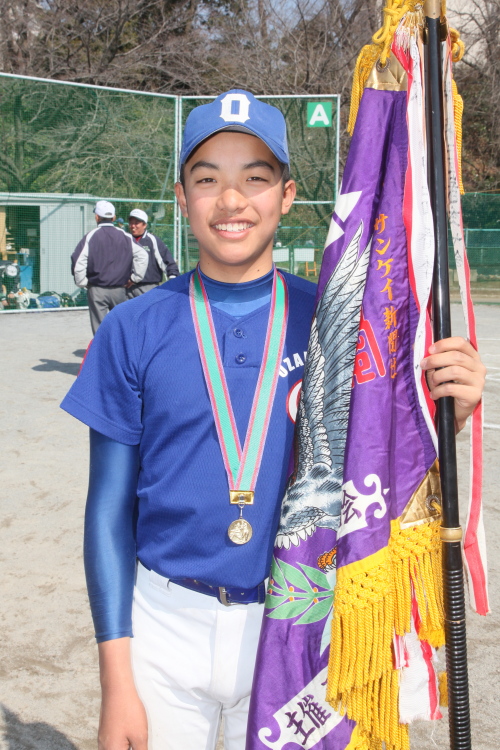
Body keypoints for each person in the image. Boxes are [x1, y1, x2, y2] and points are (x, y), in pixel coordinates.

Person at [60, 90, 486, 750]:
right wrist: (117, 679)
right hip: (163, 628)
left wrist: (445, 416)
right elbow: (107, 511)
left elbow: (380, 456)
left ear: (287, 195)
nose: (232, 201)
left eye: (255, 178)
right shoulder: (130, 329)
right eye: (208, 180)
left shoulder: (338, 326)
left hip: (298, 626)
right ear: (180, 197)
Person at [71, 200, 148, 334]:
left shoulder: (91, 236)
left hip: (97, 288)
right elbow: (143, 255)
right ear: (113, 217)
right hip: (119, 289)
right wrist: (135, 278)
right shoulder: (125, 236)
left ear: (97, 217)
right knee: (121, 326)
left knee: (100, 329)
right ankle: (120, 353)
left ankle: (103, 353)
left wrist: (82, 282)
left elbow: (78, 261)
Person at [126, 208, 179, 298]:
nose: (133, 226)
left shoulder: (152, 240)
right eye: (131, 223)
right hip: (128, 288)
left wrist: (173, 277)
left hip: (149, 287)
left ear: (144, 225)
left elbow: (166, 260)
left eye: (136, 223)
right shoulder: (125, 239)